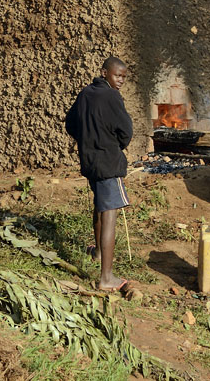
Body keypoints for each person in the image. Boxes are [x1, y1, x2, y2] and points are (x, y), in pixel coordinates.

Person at [65, 57, 133, 291]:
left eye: (124, 77)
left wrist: (88, 142)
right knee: (109, 215)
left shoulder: (85, 94)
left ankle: (96, 253)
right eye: (117, 76)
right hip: (108, 163)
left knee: (99, 205)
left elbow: (70, 124)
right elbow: (126, 130)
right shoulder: (112, 96)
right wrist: (115, 145)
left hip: (90, 161)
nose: (121, 81)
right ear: (104, 72)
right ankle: (106, 277)